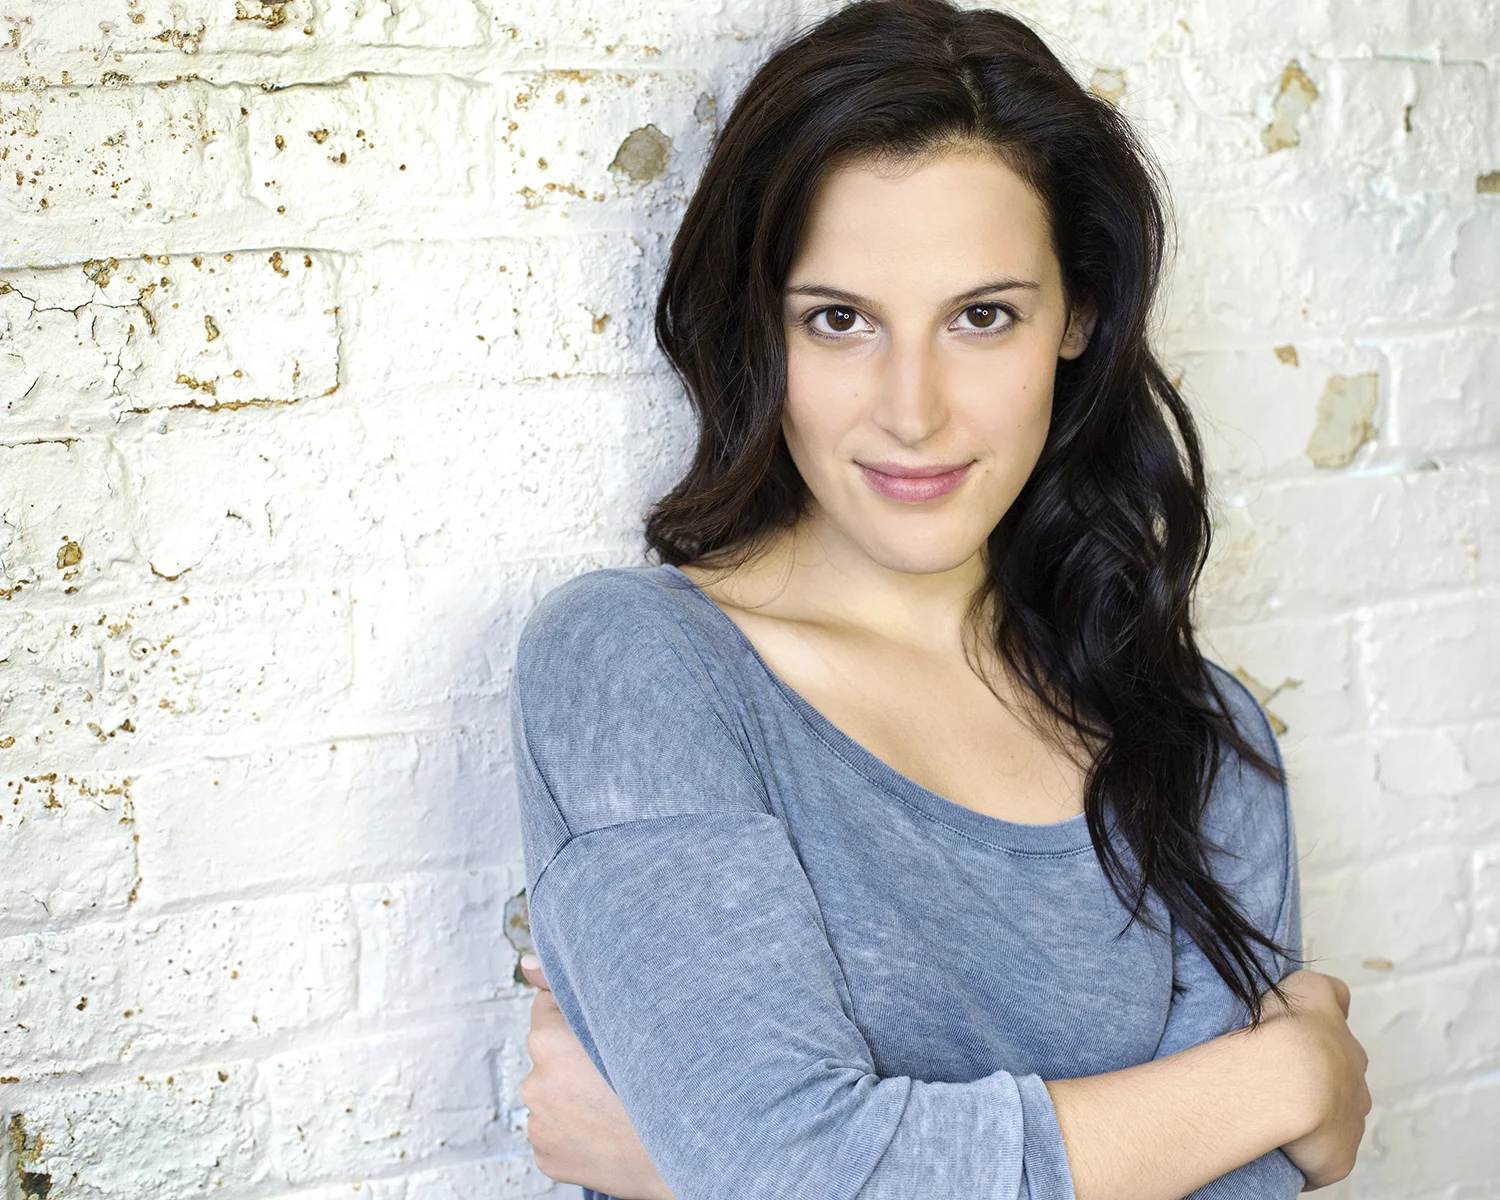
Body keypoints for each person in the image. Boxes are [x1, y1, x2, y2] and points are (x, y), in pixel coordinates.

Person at [507, 1, 1371, 1197]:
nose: (912, 410)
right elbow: (802, 1172)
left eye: (982, 316)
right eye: (839, 319)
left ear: (1077, 318)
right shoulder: (641, 668)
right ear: (760, 330)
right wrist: (1286, 1085)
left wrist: (697, 1165)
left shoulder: (1202, 741)